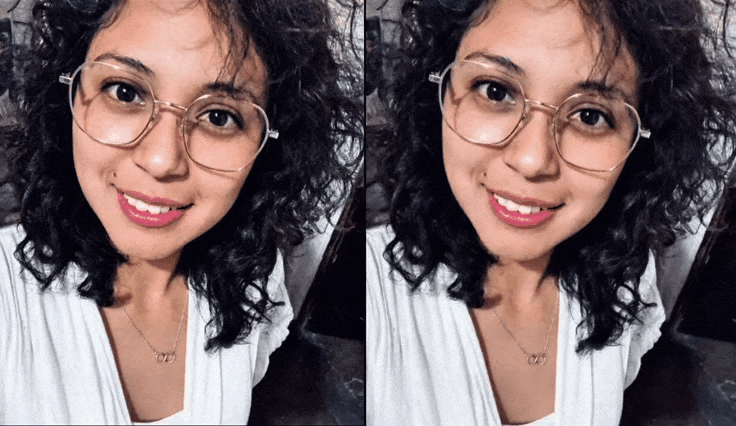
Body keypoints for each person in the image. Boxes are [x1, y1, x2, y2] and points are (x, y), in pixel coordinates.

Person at [366, 0, 736, 424]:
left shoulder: (626, 281)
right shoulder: (374, 293)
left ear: (638, 144)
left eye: (590, 116)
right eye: (495, 91)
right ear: (442, 96)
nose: (531, 160)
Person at [0, 0, 362, 423]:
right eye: (125, 92)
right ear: (72, 97)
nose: (161, 160)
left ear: (266, 145)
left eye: (219, 117)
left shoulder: (254, 280)